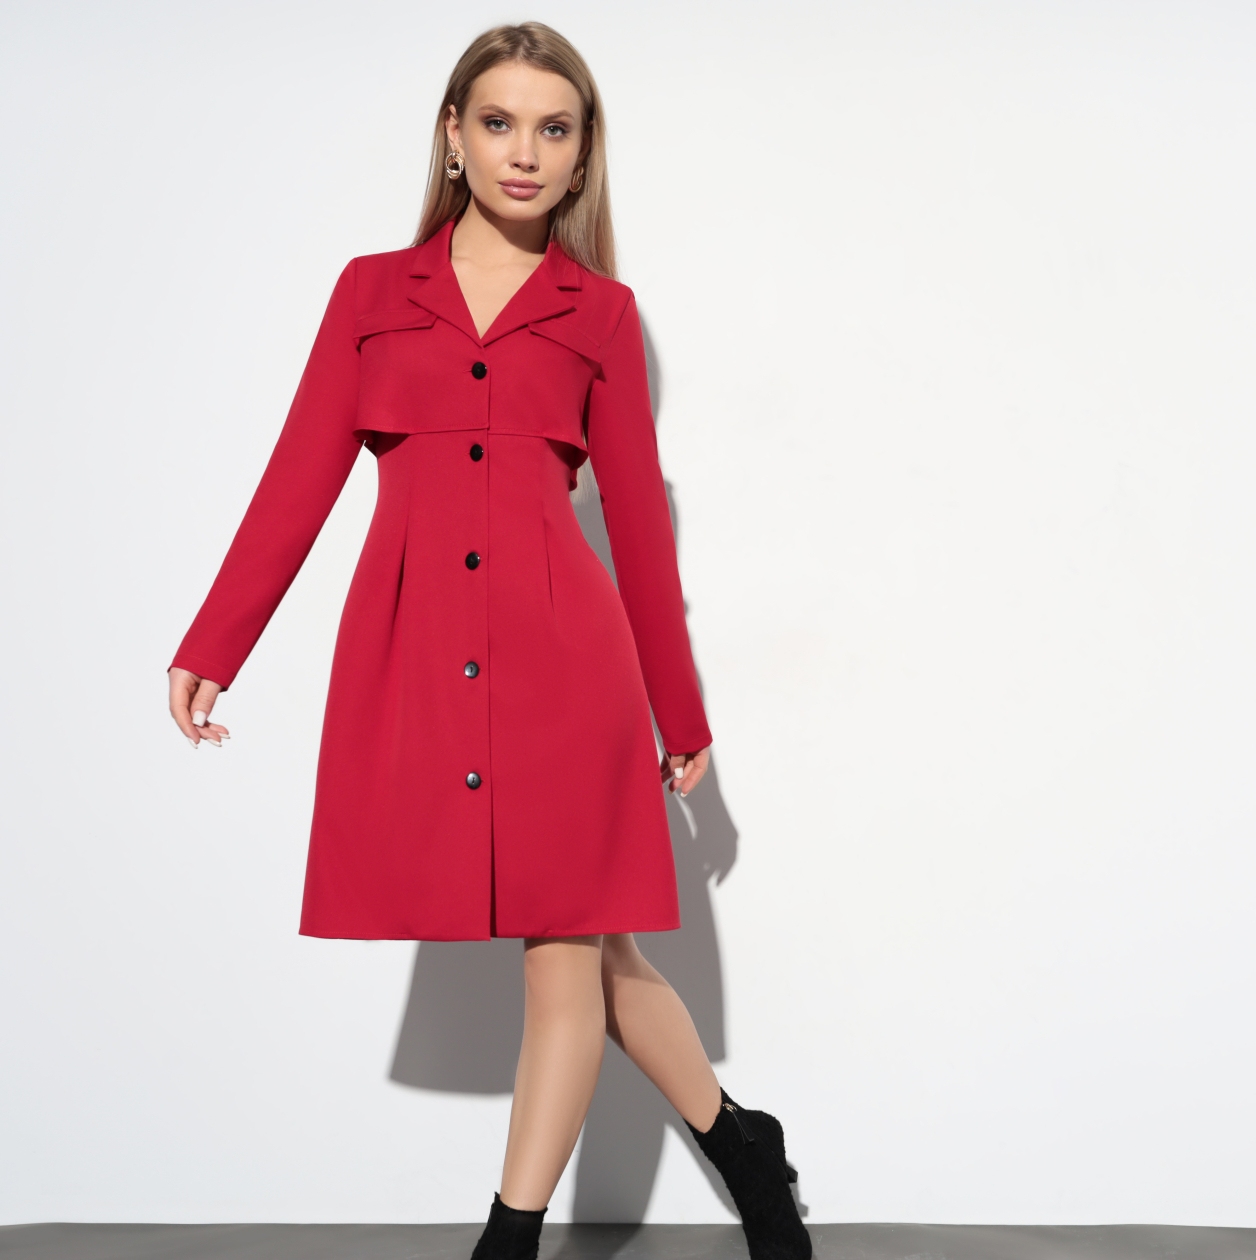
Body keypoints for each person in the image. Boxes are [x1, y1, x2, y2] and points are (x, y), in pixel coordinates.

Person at [167, 22, 809, 1260]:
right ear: (454, 137)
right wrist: (216, 642)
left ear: (582, 156)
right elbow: (299, 476)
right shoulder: (371, 295)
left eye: (553, 129)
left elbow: (639, 531)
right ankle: (741, 1142)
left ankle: (506, 1246)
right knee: (603, 960)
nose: (526, 152)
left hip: (570, 668)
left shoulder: (601, 315)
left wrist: (681, 717)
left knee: (564, 959)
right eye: (501, 122)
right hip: (424, 657)